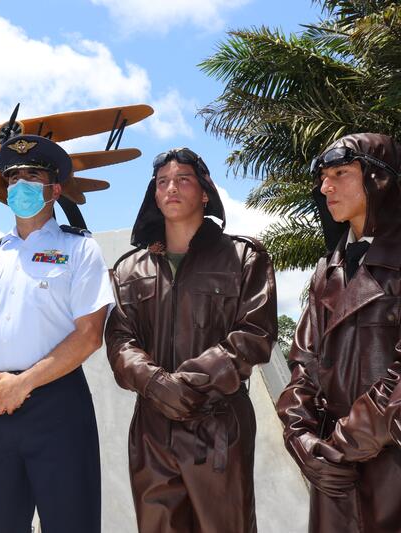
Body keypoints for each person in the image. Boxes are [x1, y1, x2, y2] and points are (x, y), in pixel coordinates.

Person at [105, 147, 278, 533]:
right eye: (162, 182)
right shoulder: (129, 269)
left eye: (183, 179)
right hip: (152, 430)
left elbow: (255, 335)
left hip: (218, 426)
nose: (171, 188)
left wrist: (187, 384)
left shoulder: (243, 257)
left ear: (205, 193)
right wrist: (155, 383)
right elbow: (119, 341)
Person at [0, 134, 113, 533]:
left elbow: (89, 334)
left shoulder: (79, 250)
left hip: (57, 404)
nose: (19, 185)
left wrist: (22, 384)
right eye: (12, 178)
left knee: (70, 522)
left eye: (32, 175)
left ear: (54, 189)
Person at [276, 133, 401, 532]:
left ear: (379, 180)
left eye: (341, 173)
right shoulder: (325, 270)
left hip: (391, 471)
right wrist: (303, 442)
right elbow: (304, 366)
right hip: (333, 478)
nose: (325, 187)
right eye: (324, 177)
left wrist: (339, 447)